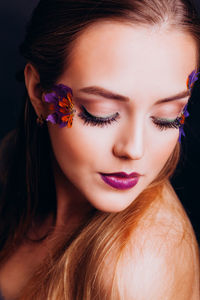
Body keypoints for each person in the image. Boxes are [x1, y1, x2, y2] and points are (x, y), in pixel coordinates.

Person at [0, 0, 199, 299]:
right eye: (100, 113)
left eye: (166, 117)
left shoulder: (134, 271)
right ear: (39, 92)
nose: (134, 149)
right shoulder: (10, 164)